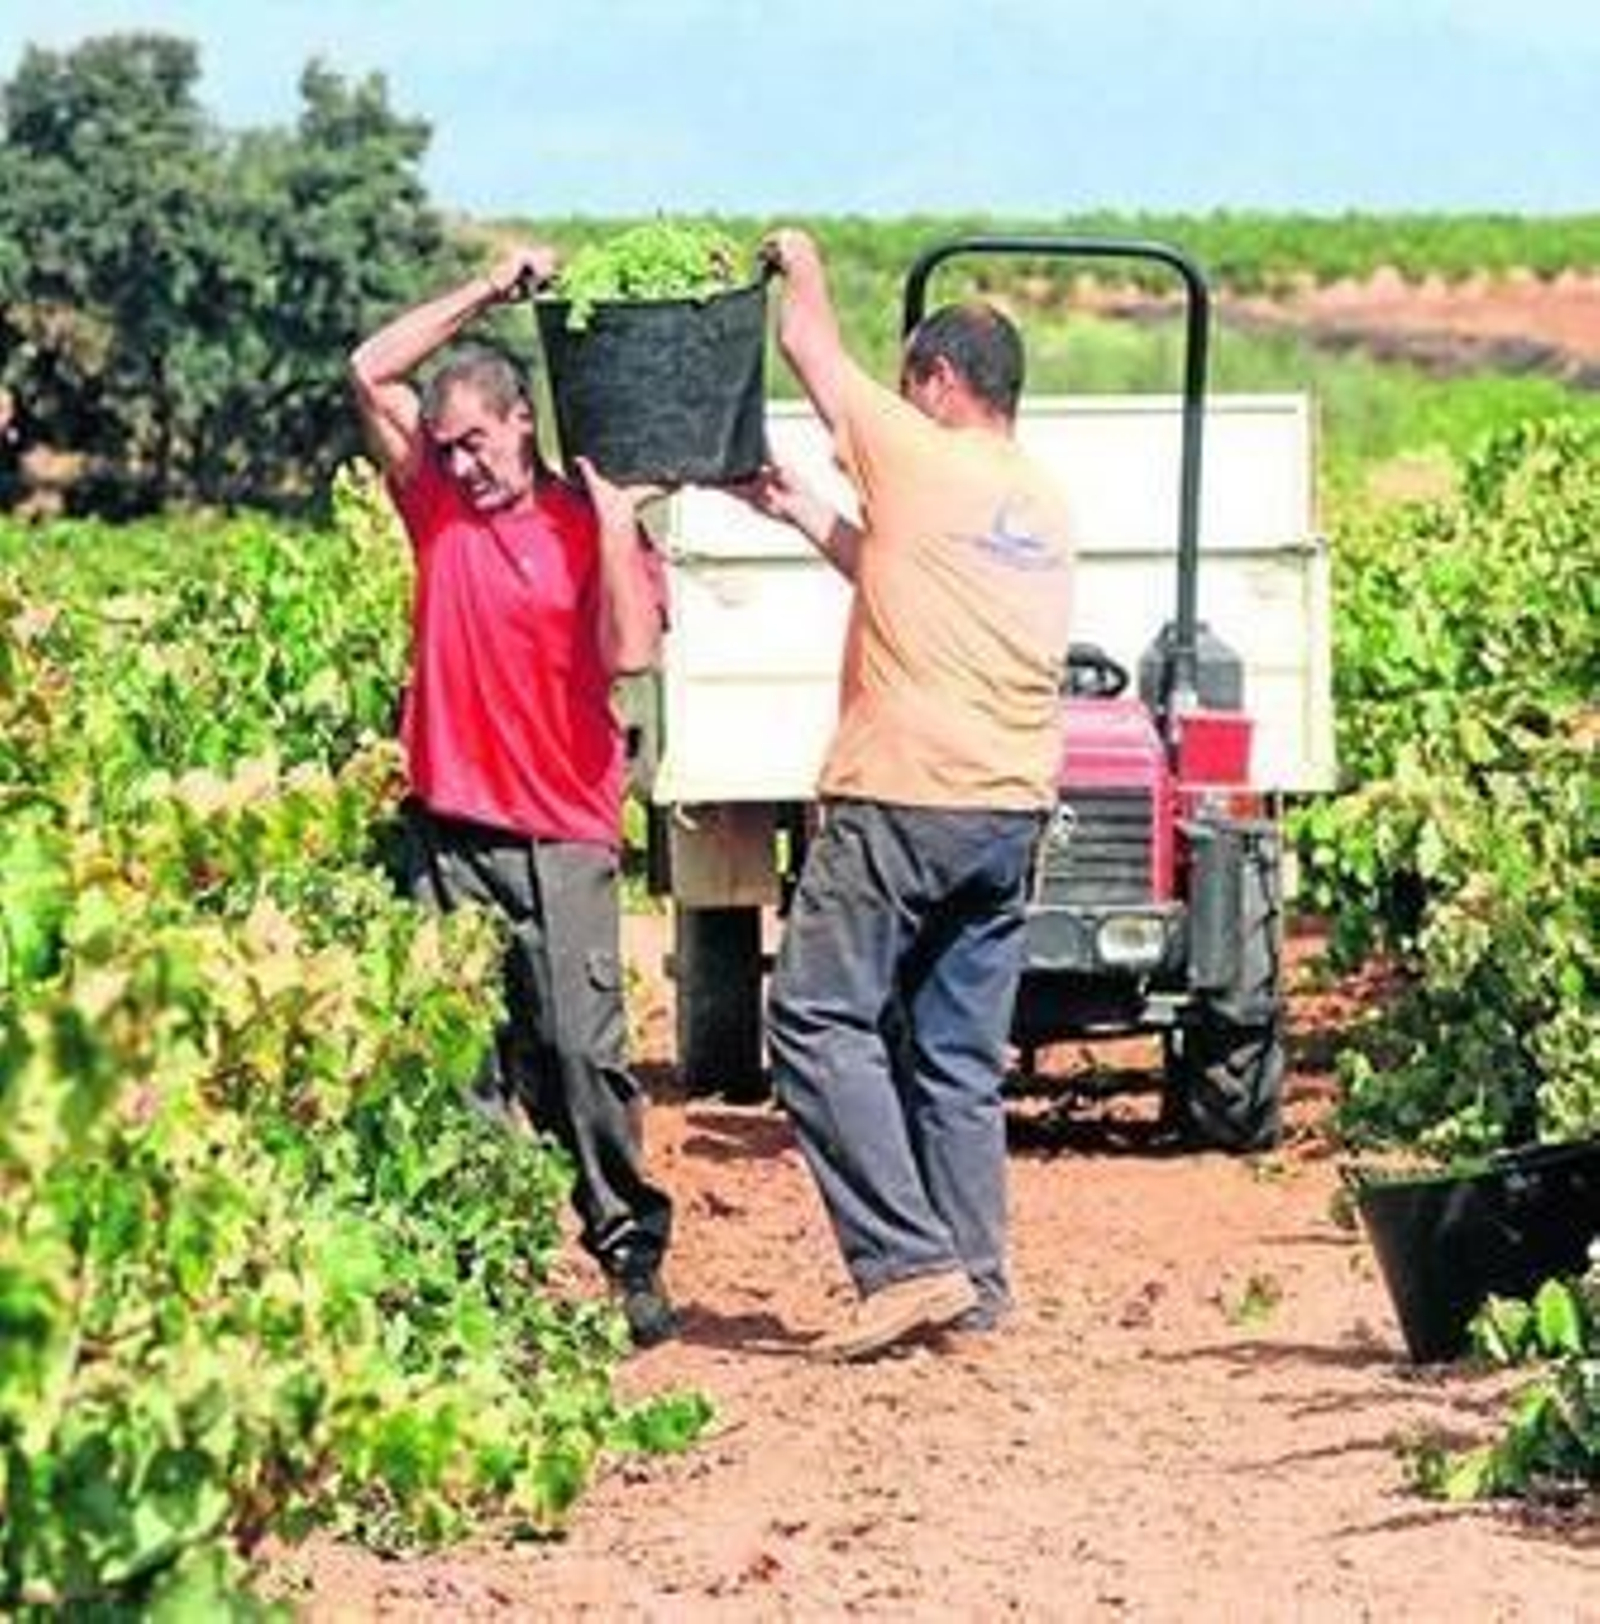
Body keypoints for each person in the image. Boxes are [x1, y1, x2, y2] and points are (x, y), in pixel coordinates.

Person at [749, 227, 1075, 1361]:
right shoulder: (1035, 502)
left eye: (909, 386)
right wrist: (804, 515)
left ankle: (903, 1264)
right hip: (1008, 809)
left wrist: (803, 260)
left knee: (814, 1018)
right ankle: (977, 1285)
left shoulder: (921, 449)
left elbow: (807, 347)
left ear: (938, 381)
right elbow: (897, 570)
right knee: (953, 1057)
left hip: (901, 793)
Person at [348, 245, 678, 1347]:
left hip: (561, 836)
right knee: (466, 1064)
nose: (467, 465)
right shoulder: (431, 505)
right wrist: (489, 286)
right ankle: (486, 1266)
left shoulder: (590, 526)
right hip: (448, 835)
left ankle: (628, 1253)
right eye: (449, 449)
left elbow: (628, 652)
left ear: (522, 423)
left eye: (480, 442)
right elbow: (369, 368)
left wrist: (622, 519)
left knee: (583, 1056)